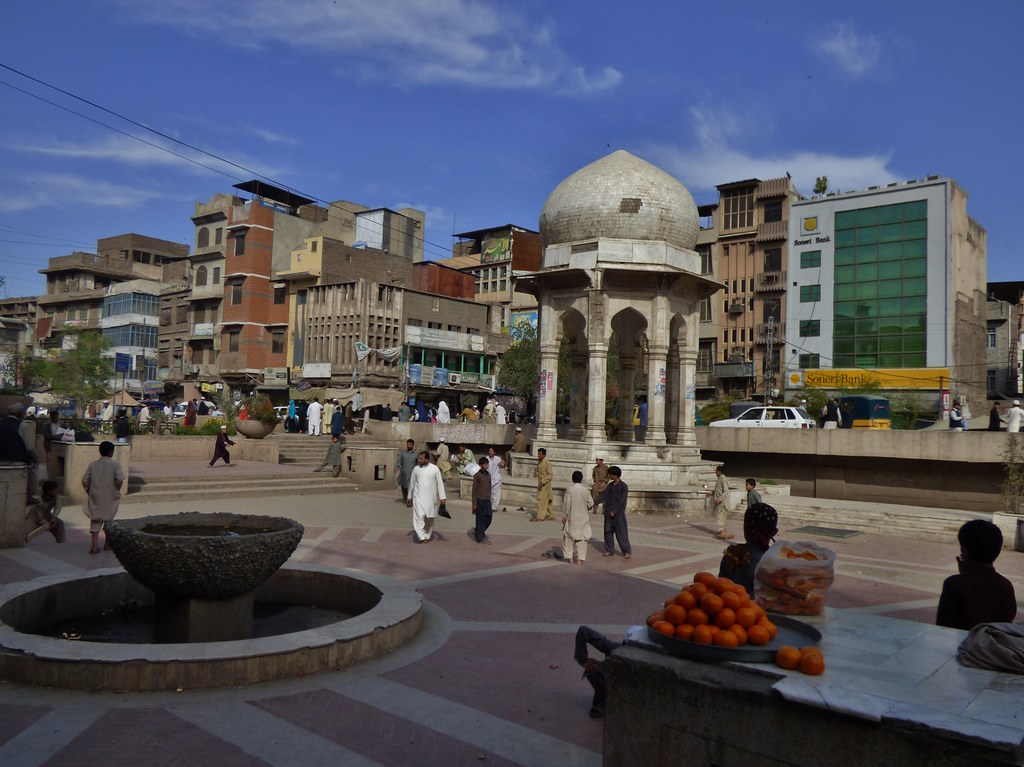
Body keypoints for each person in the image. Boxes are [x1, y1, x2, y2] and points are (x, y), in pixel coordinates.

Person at [936, 519, 1017, 630]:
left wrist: (965, 576)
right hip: (993, 646)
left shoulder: (954, 585)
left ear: (964, 551)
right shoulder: (1006, 586)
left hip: (964, 645)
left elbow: (943, 628)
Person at [718, 502, 779, 594]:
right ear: (773, 531)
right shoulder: (774, 562)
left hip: (731, 605)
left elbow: (720, 587)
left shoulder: (731, 554)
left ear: (746, 528)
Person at [82, 440, 123, 554]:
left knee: (95, 520)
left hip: (96, 494)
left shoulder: (93, 465)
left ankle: (94, 546)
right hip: (110, 495)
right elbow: (119, 479)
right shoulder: (115, 464)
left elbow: (85, 480)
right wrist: (116, 489)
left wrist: (89, 490)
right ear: (111, 452)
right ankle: (107, 545)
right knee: (108, 520)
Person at [574, 626, 621, 718]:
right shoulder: (616, 649)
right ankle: (601, 703)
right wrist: (582, 659)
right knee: (594, 670)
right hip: (613, 680)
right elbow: (583, 631)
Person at [407, 450, 446, 543]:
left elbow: (440, 483)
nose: (419, 460)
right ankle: (421, 536)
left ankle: (427, 535)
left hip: (431, 498)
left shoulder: (435, 469)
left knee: (430, 517)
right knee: (419, 516)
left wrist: (442, 497)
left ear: (427, 459)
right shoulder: (416, 469)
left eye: (421, 459)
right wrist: (409, 497)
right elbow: (412, 483)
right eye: (418, 458)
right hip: (418, 497)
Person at [595, 465, 631, 558]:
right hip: (608, 513)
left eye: (610, 474)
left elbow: (623, 501)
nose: (609, 476)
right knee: (608, 532)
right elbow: (603, 496)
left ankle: (626, 551)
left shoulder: (623, 486)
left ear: (615, 475)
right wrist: (593, 503)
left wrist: (614, 511)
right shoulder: (610, 486)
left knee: (621, 533)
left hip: (618, 515)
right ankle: (609, 550)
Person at [562, 470, 594, 564]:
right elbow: (591, 503)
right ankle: (580, 559)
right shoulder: (585, 490)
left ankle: (569, 558)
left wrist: (565, 515)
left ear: (573, 479)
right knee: (582, 539)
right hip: (583, 517)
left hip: (572, 516)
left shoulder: (570, 489)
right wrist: (586, 507)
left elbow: (567, 503)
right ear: (581, 479)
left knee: (568, 537)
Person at [25, 479, 65, 544]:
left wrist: (53, 517)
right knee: (27, 536)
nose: (57, 492)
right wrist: (47, 524)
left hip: (47, 515)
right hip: (34, 519)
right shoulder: (39, 501)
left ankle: (62, 543)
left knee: (60, 523)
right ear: (49, 491)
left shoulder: (55, 496)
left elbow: (58, 507)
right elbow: (40, 517)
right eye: (55, 490)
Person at [469, 456, 493, 544]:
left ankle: (478, 530)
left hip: (487, 500)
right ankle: (480, 538)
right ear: (481, 465)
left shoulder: (489, 475)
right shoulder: (477, 476)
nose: (487, 466)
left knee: (489, 517)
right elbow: (474, 491)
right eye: (485, 464)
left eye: (487, 464)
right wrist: (474, 503)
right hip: (479, 500)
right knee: (480, 519)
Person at [708, 466, 735, 540]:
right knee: (721, 517)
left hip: (722, 502)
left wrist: (720, 499)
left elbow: (726, 491)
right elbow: (718, 490)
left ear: (719, 471)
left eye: (716, 471)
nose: (715, 472)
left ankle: (722, 532)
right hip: (719, 501)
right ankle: (722, 531)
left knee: (720, 517)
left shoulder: (723, 479)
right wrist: (712, 493)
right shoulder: (719, 479)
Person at [533, 447, 554, 521]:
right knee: (548, 500)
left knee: (541, 500)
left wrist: (543, 481)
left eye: (540, 454)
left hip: (545, 485)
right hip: (541, 484)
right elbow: (540, 474)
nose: (538, 456)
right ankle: (550, 515)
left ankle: (540, 517)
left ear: (544, 455)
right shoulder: (539, 463)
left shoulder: (547, 463)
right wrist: (536, 474)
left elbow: (550, 475)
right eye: (538, 454)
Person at [486, 447, 506, 512]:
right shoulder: (486, 458)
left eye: (491, 451)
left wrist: (503, 463)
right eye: (489, 451)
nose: (490, 452)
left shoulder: (497, 459)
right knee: (489, 494)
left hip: (496, 479)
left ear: (494, 452)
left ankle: (494, 507)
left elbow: (503, 465)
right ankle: (488, 506)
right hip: (488, 478)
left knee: (496, 494)